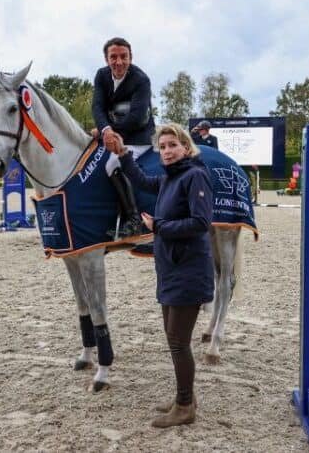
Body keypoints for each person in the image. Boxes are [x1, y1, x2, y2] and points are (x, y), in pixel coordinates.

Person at [104, 124, 213, 428]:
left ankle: (184, 407)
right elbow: (139, 179)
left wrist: (160, 227)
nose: (166, 151)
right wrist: (123, 153)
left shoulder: (194, 176)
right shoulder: (171, 177)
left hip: (188, 272)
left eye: (172, 145)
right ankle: (186, 396)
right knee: (174, 338)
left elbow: (201, 222)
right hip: (171, 269)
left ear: (186, 148)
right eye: (162, 146)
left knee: (179, 342)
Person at [92, 37, 155, 239]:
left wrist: (109, 134)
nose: (118, 62)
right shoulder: (101, 76)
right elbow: (98, 107)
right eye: (113, 57)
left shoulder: (141, 80)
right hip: (113, 133)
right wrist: (105, 130)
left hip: (138, 136)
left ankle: (133, 220)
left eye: (123, 57)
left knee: (112, 164)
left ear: (130, 57)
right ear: (106, 59)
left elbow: (136, 119)